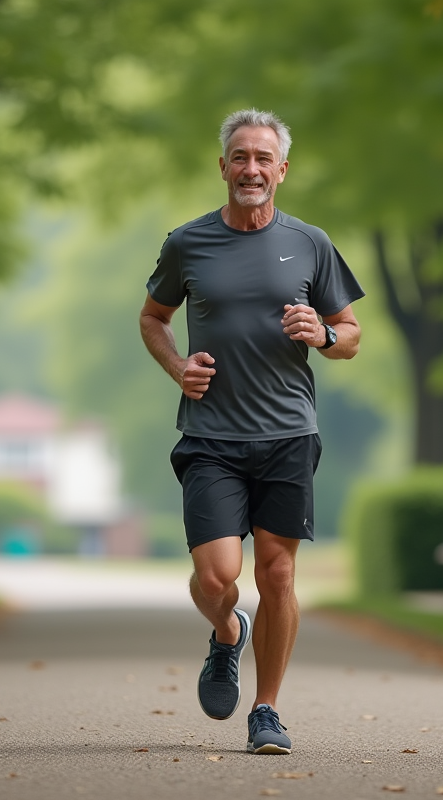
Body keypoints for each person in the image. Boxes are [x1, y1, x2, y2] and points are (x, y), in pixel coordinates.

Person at [139, 108, 364, 755]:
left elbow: (349, 334)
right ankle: (228, 631)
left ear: (282, 170)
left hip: (289, 434)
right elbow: (153, 317)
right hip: (211, 435)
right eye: (241, 156)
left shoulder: (311, 244)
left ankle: (266, 710)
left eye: (264, 158)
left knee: (280, 576)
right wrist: (178, 365)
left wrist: (321, 333)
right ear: (223, 167)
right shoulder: (189, 242)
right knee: (217, 579)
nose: (252, 169)